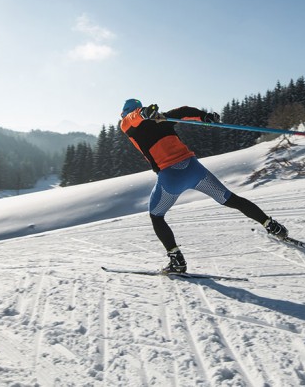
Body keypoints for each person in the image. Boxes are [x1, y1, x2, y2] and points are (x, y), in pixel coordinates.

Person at [119, 98, 288, 273]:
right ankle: (270, 224)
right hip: (194, 170)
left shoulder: (127, 124)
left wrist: (144, 114)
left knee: (156, 215)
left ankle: (176, 260)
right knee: (231, 199)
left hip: (171, 177)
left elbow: (131, 118)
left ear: (125, 112)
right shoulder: (161, 118)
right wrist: (204, 116)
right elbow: (183, 111)